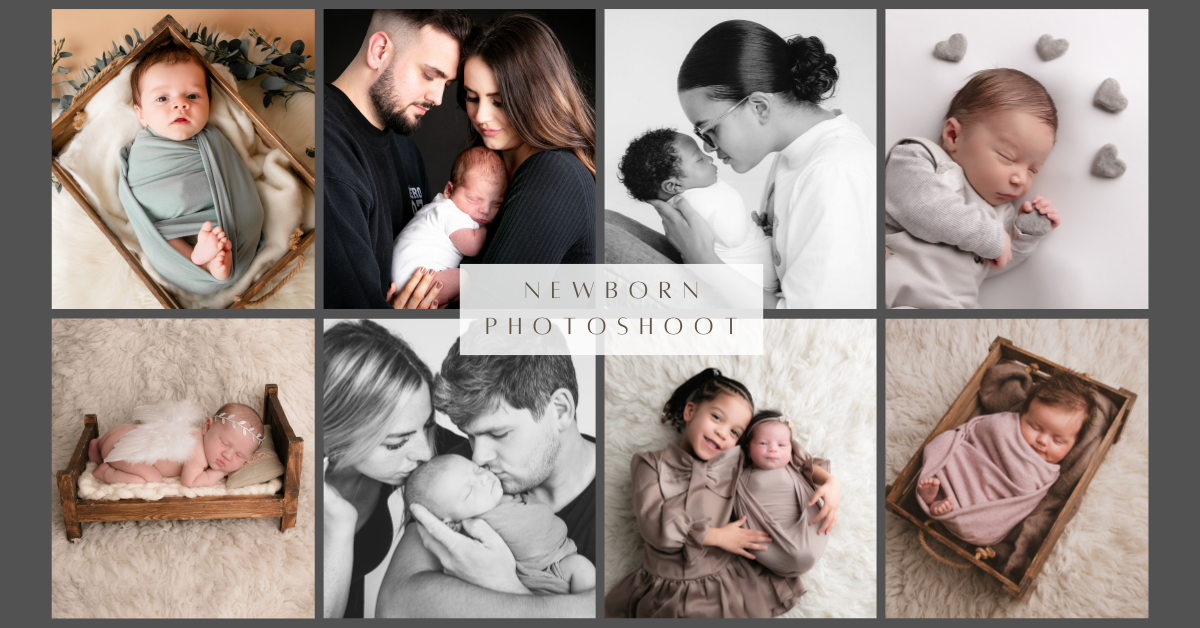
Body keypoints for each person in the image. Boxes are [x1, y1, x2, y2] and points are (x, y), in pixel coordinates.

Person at [607, 20, 875, 309]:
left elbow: (809, 333)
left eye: (710, 129)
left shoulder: (833, 173)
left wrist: (705, 262)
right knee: (605, 221)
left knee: (604, 240)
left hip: (783, 342)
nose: (708, 147)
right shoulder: (796, 154)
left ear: (758, 107)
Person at [377, 340, 596, 617]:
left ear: (561, 410)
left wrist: (504, 585)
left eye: (499, 434)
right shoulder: (456, 471)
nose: (479, 457)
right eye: (470, 435)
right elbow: (394, 607)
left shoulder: (619, 496)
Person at [604, 369, 806, 618]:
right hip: (666, 589)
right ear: (690, 412)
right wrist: (716, 536)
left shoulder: (736, 460)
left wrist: (828, 482)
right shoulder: (649, 464)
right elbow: (653, 525)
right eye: (717, 417)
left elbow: (779, 448)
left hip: (728, 583)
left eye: (734, 432)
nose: (723, 433)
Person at [325, 10, 472, 308]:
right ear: (379, 51)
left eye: (446, 83)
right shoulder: (329, 151)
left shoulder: (407, 149)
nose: (438, 98)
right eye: (430, 75)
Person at [321, 320, 465, 618]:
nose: (426, 452)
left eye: (427, 425)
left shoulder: (419, 445)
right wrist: (339, 526)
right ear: (337, 439)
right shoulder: (282, 486)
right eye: (396, 444)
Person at [885, 68, 1061, 309]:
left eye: (1033, 170)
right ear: (953, 135)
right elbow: (924, 207)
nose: (1020, 178)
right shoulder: (918, 157)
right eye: (1007, 156)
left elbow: (993, 264)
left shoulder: (1001, 215)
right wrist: (992, 238)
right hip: (894, 298)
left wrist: (1021, 239)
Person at [119, 44, 263, 294]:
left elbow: (235, 182)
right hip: (166, 222)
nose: (180, 105)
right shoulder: (142, 149)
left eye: (193, 96)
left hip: (220, 217)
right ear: (141, 114)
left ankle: (213, 256)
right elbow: (140, 195)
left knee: (237, 221)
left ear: (210, 102)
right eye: (163, 98)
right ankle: (199, 260)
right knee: (160, 236)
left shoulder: (215, 138)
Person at [455, 13, 596, 264]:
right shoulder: (487, 168)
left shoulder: (555, 173)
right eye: (472, 97)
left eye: (498, 102)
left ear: (536, 99)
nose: (481, 116)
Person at [916, 374, 1093, 546]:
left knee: (985, 515)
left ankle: (945, 507)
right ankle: (939, 496)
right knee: (946, 449)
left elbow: (1023, 502)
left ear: (1074, 444)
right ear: (1022, 414)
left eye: (1058, 440)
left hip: (984, 508)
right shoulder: (1004, 425)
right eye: (1035, 427)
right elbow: (978, 433)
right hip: (960, 470)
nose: (1043, 441)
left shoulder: (1048, 473)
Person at [404, 454, 596, 594]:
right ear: (451, 524)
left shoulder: (510, 487)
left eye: (476, 470)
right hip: (538, 583)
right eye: (469, 492)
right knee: (582, 568)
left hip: (562, 563)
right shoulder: (474, 527)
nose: (484, 479)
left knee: (583, 571)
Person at [618, 128, 777, 290]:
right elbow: (733, 237)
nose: (709, 158)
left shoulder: (688, 201)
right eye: (699, 159)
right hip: (753, 286)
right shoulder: (697, 201)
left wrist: (753, 231)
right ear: (673, 185)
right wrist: (749, 228)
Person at [733, 410, 837, 583]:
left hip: (808, 530)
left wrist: (832, 482)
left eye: (782, 445)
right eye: (763, 443)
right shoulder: (741, 476)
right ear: (748, 450)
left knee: (808, 541)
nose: (773, 449)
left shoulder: (795, 467)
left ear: (791, 450)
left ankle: (801, 554)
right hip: (767, 539)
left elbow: (814, 471)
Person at [391, 147, 505, 303]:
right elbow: (472, 247)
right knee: (465, 278)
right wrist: (487, 228)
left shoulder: (441, 209)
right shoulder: (448, 211)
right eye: (474, 199)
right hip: (416, 282)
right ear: (449, 190)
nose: (485, 210)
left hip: (409, 279)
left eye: (495, 203)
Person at [89, 401, 262, 486]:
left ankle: (98, 447)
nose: (227, 455)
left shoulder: (195, 431)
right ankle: (106, 472)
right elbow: (190, 482)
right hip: (122, 450)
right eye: (224, 443)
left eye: (239, 455)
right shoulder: (198, 452)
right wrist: (221, 472)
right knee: (152, 479)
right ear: (207, 426)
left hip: (117, 433)